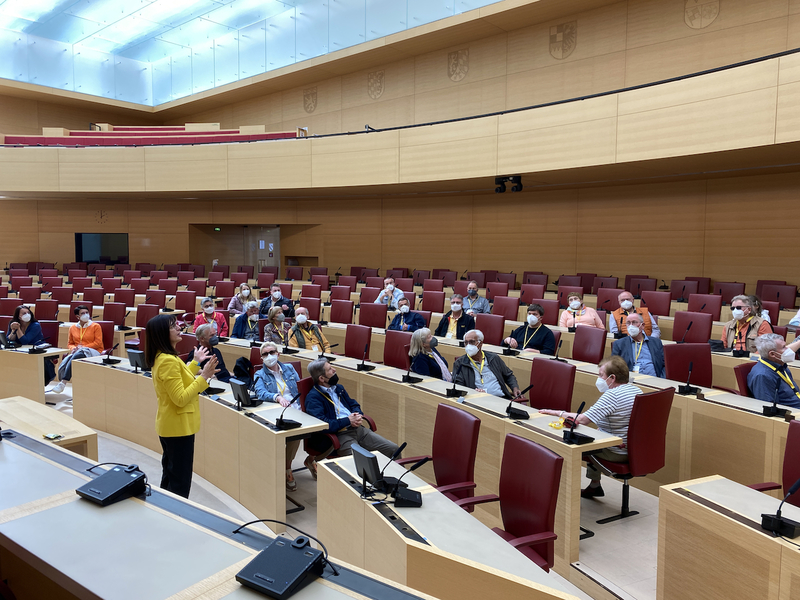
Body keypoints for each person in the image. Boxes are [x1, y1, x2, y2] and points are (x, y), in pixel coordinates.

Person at [540, 355, 641, 498]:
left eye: (601, 375)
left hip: (616, 451)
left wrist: (555, 413)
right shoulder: (636, 390)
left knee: (568, 443)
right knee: (594, 435)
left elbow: (581, 420)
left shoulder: (612, 396)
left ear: (612, 378)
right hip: (633, 449)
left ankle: (560, 494)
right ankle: (594, 486)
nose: (598, 379)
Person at [146, 313, 218, 498]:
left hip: (171, 425)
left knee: (171, 476)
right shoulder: (168, 360)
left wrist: (195, 363)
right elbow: (180, 397)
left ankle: (166, 512)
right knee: (179, 483)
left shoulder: (165, 356)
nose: (179, 327)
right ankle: (177, 518)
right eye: (172, 326)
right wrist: (204, 377)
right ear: (162, 333)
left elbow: (180, 377)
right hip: (178, 428)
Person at [304, 358, 399, 477]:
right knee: (363, 462)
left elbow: (353, 404)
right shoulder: (313, 398)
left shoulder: (339, 388)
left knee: (393, 449)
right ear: (322, 378)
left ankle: (397, 483)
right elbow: (322, 424)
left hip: (358, 429)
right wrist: (348, 420)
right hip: (339, 435)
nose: (335, 370)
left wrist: (357, 415)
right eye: (330, 370)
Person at [254, 342, 303, 491]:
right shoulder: (259, 374)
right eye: (265, 354)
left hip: (297, 407)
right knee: (294, 432)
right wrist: (277, 397)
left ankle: (309, 460)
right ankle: (288, 468)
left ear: (278, 354)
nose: (269, 356)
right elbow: (260, 393)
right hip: (278, 410)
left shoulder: (289, 368)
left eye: (272, 352)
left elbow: (301, 386)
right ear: (261, 358)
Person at [51, 305, 105, 394]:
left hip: (93, 351)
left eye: (87, 312)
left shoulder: (96, 326)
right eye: (83, 313)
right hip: (78, 352)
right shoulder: (72, 328)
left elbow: (98, 343)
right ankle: (65, 383)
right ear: (77, 317)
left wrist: (83, 347)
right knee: (75, 355)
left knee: (79, 353)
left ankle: (63, 382)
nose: (86, 314)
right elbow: (70, 343)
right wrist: (73, 348)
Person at [453, 329, 521, 398]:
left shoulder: (493, 358)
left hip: (501, 398)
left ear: (480, 343)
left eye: (472, 342)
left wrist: (515, 388)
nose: (468, 345)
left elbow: (508, 375)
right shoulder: (460, 363)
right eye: (466, 343)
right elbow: (459, 387)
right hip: (478, 399)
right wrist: (474, 392)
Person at [748, 333, 800, 408]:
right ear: (772, 354)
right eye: (784, 347)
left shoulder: (780, 365)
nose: (788, 349)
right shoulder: (763, 376)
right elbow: (769, 408)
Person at [611, 312, 665, 377]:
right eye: (628, 323)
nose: (631, 325)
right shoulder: (619, 344)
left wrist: (662, 380)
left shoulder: (656, 342)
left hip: (654, 379)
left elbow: (665, 365)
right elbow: (614, 366)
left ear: (642, 325)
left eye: (634, 322)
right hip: (631, 380)